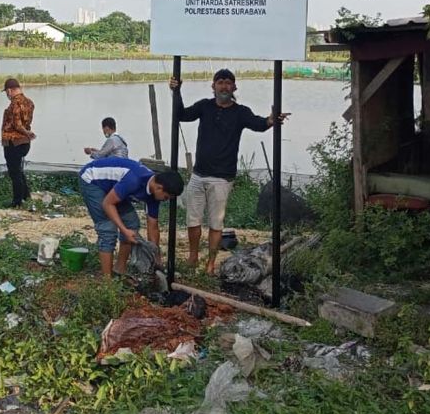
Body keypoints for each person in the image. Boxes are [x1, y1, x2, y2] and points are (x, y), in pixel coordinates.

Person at [169, 69, 288, 274]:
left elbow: (260, 124)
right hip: (198, 174)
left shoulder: (240, 112)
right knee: (193, 220)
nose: (224, 86)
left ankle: (210, 264)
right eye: (220, 82)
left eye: (228, 83)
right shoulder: (204, 106)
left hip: (222, 178)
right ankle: (193, 257)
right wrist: (176, 92)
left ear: (234, 87)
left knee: (216, 223)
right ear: (213, 86)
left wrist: (271, 120)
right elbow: (181, 115)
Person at [78, 157, 184, 278]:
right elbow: (107, 204)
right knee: (107, 229)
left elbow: (153, 225)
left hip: (114, 188)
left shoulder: (154, 195)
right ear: (159, 187)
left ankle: (119, 270)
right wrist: (123, 230)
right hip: (92, 181)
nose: (165, 200)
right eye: (166, 197)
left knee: (132, 224)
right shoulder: (134, 180)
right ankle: (107, 282)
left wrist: (156, 258)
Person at [0, 78, 35, 208]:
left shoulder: (14, 104)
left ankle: (17, 202)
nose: (7, 95)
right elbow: (25, 122)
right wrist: (28, 133)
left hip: (13, 142)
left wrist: (26, 132)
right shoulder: (30, 102)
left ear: (9, 90)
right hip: (25, 143)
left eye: (6, 92)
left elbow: (17, 124)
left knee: (14, 173)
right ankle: (26, 195)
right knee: (18, 170)